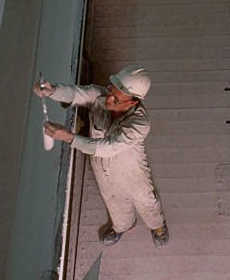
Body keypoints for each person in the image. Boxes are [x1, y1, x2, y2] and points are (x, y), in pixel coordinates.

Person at [35, 65, 169, 248]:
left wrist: (68, 137)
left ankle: (158, 226)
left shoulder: (140, 123)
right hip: (101, 165)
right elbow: (77, 94)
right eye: (112, 90)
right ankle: (123, 225)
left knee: (145, 200)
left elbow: (109, 147)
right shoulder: (102, 95)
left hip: (130, 170)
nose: (109, 98)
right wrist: (53, 91)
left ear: (132, 102)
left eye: (116, 98)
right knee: (113, 199)